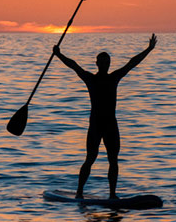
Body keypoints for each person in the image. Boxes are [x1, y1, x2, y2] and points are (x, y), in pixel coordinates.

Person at [53, 34, 158, 199]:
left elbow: (132, 63)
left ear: (109, 64)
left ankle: (112, 194)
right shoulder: (90, 79)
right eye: (102, 62)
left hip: (110, 125)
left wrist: (149, 49)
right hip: (95, 125)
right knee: (90, 158)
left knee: (113, 160)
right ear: (97, 64)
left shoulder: (114, 78)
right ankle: (79, 192)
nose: (104, 65)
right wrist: (59, 55)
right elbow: (74, 65)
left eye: (107, 62)